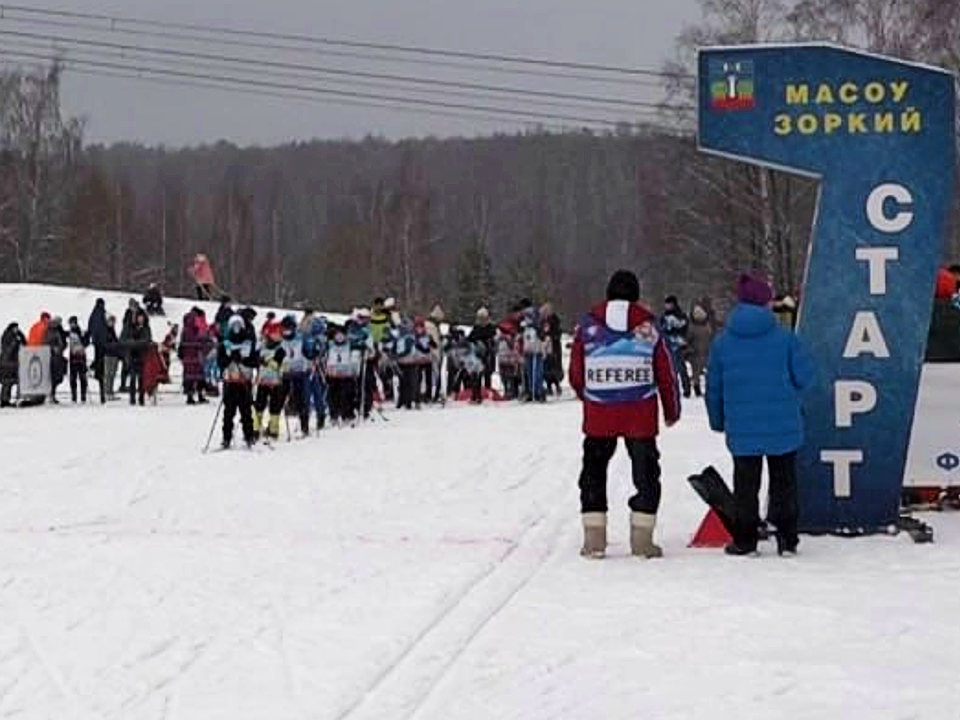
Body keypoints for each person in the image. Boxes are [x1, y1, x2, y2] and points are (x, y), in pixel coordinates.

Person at [569, 270, 682, 559]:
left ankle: (594, 539)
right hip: (639, 414)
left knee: (593, 472)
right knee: (645, 473)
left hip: (599, 413)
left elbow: (576, 373)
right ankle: (642, 539)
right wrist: (671, 410)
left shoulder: (588, 326)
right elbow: (666, 373)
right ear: (636, 295)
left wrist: (590, 397)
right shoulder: (648, 327)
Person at [706, 273, 815, 557]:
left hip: (742, 428)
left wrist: (718, 420)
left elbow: (714, 388)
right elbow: (805, 377)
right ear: (766, 304)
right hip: (784, 425)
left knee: (746, 485)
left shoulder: (722, 342)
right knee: (784, 483)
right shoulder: (786, 338)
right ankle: (787, 538)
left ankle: (745, 540)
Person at [218, 315, 257, 448]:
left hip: (245, 380)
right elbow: (220, 361)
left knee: (246, 411)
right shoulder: (225, 343)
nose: (236, 328)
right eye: (234, 326)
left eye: (239, 325)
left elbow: (254, 361)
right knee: (228, 412)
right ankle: (226, 438)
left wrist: (243, 360)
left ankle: (249, 436)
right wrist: (229, 359)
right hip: (230, 381)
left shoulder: (248, 342)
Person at [253, 323, 286, 440]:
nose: (279, 336)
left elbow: (278, 364)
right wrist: (258, 361)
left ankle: (273, 430)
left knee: (275, 407)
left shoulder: (280, 349)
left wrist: (266, 361)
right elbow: (254, 360)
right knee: (259, 405)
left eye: (279, 334)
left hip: (276, 382)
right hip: (263, 381)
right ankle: (255, 429)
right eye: (276, 334)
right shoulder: (262, 347)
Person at [660, 296, 692, 398]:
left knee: (681, 369)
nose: (667, 306)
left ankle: (686, 389)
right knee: (671, 369)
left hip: (679, 345)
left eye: (669, 304)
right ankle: (674, 389)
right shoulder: (663, 316)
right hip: (668, 345)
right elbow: (661, 329)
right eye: (666, 304)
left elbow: (684, 327)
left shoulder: (681, 315)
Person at [126, 309, 153, 406]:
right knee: (133, 378)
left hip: (143, 356)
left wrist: (137, 343)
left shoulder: (146, 328)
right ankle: (132, 398)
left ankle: (141, 397)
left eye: (142, 317)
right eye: (139, 317)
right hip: (133, 355)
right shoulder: (132, 328)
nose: (140, 319)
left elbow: (147, 340)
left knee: (141, 378)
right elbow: (128, 339)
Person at [688, 302, 714, 397]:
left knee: (711, 372)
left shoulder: (707, 325)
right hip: (696, 352)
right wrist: (689, 349)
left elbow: (711, 337)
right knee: (696, 372)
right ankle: (697, 388)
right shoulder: (692, 327)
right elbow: (688, 339)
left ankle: (711, 388)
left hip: (707, 352)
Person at [468, 307, 496, 392]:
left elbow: (494, 339)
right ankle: (478, 391)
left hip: (488, 353)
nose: (482, 320)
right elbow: (470, 339)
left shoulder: (491, 327)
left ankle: (487, 389)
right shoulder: (476, 328)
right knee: (478, 374)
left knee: (488, 373)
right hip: (478, 354)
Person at [88, 299, 110, 404]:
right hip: (103, 344)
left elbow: (90, 328)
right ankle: (102, 394)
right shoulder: (103, 314)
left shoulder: (93, 314)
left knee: (99, 361)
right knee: (102, 367)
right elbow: (107, 328)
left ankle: (95, 369)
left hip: (97, 343)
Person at [1, 322, 26, 407]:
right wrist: (15, 342)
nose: (17, 330)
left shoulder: (16, 336)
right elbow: (7, 351)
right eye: (15, 328)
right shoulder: (7, 337)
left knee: (12, 381)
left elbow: (25, 343)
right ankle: (4, 400)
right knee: (7, 382)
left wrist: (21, 335)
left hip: (14, 362)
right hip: (7, 363)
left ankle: (8, 399)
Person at [541, 303, 564, 397]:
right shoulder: (543, 321)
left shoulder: (554, 320)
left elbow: (557, 333)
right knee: (547, 367)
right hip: (546, 347)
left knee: (555, 367)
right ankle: (549, 386)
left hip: (554, 347)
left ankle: (557, 384)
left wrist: (551, 335)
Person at [66, 316, 90, 403]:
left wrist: (85, 337)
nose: (71, 325)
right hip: (73, 356)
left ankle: (82, 396)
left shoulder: (79, 332)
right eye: (70, 323)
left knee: (81, 377)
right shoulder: (70, 332)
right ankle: (74, 396)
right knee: (74, 378)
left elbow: (85, 342)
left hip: (80, 357)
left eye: (72, 323)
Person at [44, 316, 67, 404]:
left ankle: (53, 394)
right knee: (54, 377)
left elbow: (62, 341)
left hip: (59, 356)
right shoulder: (50, 331)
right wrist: (54, 348)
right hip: (53, 357)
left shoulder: (58, 330)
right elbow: (46, 343)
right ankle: (51, 395)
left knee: (58, 377)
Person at [101, 315, 120, 401]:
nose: (112, 323)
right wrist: (114, 345)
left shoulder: (112, 331)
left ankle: (110, 391)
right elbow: (105, 343)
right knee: (108, 374)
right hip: (108, 354)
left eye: (113, 322)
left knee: (112, 374)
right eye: (111, 321)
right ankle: (107, 391)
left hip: (114, 354)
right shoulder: (105, 331)